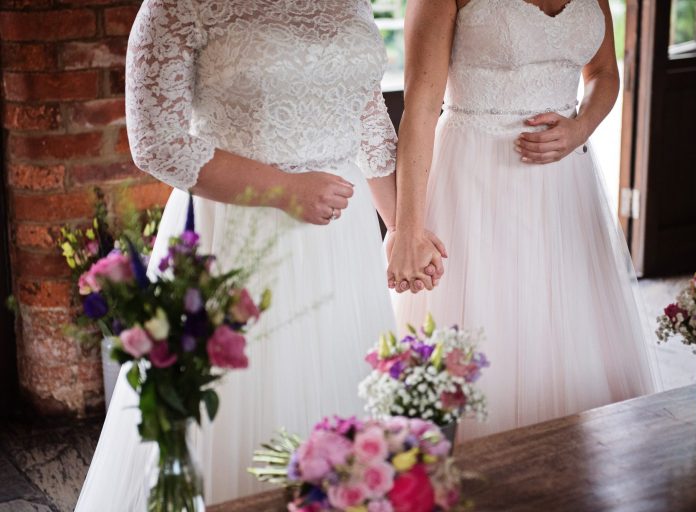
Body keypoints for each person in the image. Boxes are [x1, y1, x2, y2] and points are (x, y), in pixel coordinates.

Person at [76, 0, 443, 508]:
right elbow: (156, 142)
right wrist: (283, 190)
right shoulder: (177, 6)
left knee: (346, 410)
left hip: (342, 239)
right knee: (241, 413)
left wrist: (405, 230)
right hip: (239, 236)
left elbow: (367, 121)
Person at [387, 0, 658, 440]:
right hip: (474, 183)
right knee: (479, 333)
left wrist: (580, 126)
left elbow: (605, 74)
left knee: (566, 336)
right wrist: (407, 230)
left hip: (565, 186)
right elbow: (419, 106)